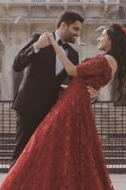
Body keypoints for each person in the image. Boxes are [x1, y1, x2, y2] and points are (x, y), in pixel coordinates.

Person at [0, 24, 126, 190]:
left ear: (112, 40)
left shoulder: (108, 59)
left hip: (71, 110)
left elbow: (72, 71)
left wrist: (55, 45)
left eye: (103, 35)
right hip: (71, 104)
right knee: (55, 158)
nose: (99, 38)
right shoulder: (105, 59)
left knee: (39, 153)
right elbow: (79, 83)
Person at [9, 11, 82, 163]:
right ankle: (12, 187)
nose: (78, 33)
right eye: (75, 29)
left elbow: (75, 83)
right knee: (22, 154)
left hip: (51, 111)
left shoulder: (73, 54)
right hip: (29, 107)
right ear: (63, 25)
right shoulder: (38, 38)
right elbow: (17, 65)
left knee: (46, 157)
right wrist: (36, 46)